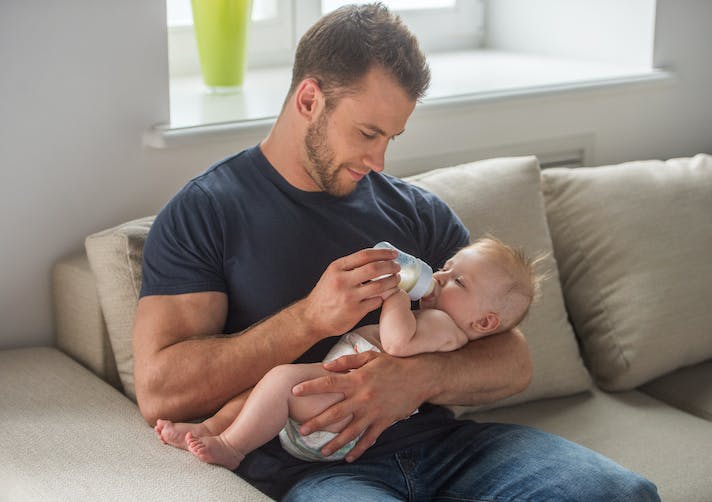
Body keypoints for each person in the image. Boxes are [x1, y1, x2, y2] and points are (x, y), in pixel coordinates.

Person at [132, 3, 659, 500]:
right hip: (321, 469)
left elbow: (512, 358)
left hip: (448, 450)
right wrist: (310, 320)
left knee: (624, 493)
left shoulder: (417, 212)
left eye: (392, 137)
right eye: (367, 133)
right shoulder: (207, 213)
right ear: (309, 100)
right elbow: (161, 393)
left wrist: (417, 377)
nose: (380, 160)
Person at [154, 237, 543, 469]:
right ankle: (208, 428)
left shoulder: (445, 327)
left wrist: (394, 295)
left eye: (457, 280)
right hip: (333, 410)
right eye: (444, 268)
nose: (439, 277)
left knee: (279, 382)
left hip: (337, 419)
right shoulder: (443, 317)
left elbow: (396, 343)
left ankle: (232, 447)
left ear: (485, 322)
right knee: (267, 388)